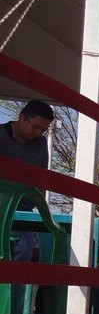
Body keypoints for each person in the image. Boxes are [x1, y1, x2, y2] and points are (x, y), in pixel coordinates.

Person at [0, 99, 55, 262]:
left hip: (24, 212)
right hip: (1, 207)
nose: (38, 133)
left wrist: (41, 213)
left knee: (24, 259)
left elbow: (42, 179)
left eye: (43, 130)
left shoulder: (41, 143)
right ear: (22, 117)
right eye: (36, 126)